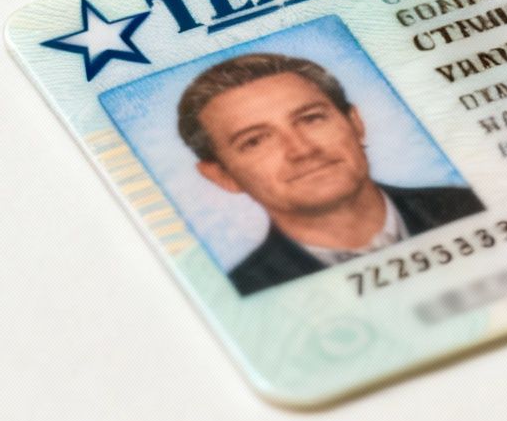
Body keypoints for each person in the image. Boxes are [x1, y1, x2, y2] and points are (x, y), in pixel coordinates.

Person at [176, 52, 484, 295]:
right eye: (255, 140)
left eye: (311, 119)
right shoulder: (250, 292)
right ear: (222, 176)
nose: (301, 150)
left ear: (355, 123)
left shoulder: (476, 203)